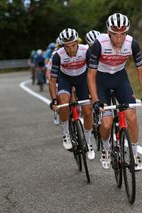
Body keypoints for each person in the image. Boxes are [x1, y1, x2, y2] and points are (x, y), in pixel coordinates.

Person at [87, 13, 142, 170]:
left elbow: (141, 70)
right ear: (109, 32)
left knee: (132, 117)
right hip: (101, 80)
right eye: (115, 34)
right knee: (107, 123)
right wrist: (95, 100)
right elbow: (91, 74)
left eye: (123, 34)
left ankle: (135, 155)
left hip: (120, 78)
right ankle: (106, 149)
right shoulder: (99, 44)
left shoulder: (132, 44)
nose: (119, 39)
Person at [49, 28, 95, 160]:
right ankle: (66, 134)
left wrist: (93, 93)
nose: (71, 49)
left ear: (77, 42)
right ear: (63, 45)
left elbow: (93, 73)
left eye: (73, 45)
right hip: (65, 79)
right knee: (63, 104)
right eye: (67, 46)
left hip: (82, 80)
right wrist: (54, 99)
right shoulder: (58, 55)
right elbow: (52, 81)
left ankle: (88, 142)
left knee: (87, 111)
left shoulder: (85, 50)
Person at [47, 37, 63, 125]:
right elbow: (48, 71)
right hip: (57, 78)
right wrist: (51, 82)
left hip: (68, 78)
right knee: (57, 96)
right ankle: (57, 111)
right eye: (61, 46)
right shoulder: (54, 54)